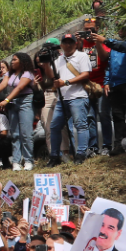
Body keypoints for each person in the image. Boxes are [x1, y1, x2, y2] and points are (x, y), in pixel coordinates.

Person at [87, 25, 126, 154]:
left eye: (124, 28)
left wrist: (106, 41)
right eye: (119, 28)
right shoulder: (116, 44)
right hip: (116, 84)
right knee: (117, 115)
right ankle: (120, 145)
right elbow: (110, 64)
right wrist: (107, 81)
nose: (120, 31)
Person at [47, 36, 93, 165]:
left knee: (81, 125)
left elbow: (85, 74)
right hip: (63, 98)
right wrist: (45, 64)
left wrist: (66, 82)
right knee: (55, 126)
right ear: (61, 45)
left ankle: (81, 154)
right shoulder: (58, 59)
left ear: (75, 43)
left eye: (70, 42)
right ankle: (54, 156)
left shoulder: (81, 56)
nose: (68, 45)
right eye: (65, 43)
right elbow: (52, 76)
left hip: (78, 96)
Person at [0, 52, 36, 171]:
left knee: (26, 133)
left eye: (14, 60)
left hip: (25, 101)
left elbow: (19, 87)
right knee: (15, 134)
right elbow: (3, 83)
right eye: (12, 59)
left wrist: (6, 100)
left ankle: (28, 160)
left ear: (22, 62)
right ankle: (16, 162)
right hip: (13, 104)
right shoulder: (9, 73)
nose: (12, 62)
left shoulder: (28, 73)